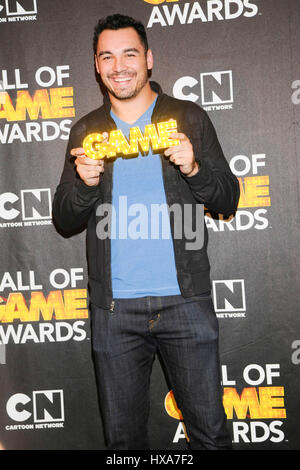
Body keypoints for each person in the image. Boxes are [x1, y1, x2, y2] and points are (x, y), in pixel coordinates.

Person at [52, 14, 240, 450]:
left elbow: (227, 199)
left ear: (149, 59)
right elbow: (64, 217)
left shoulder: (188, 117)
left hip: (185, 303)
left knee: (210, 436)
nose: (119, 66)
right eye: (107, 57)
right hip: (114, 312)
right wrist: (85, 184)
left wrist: (193, 167)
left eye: (129, 54)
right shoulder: (86, 130)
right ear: (97, 67)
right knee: (123, 443)